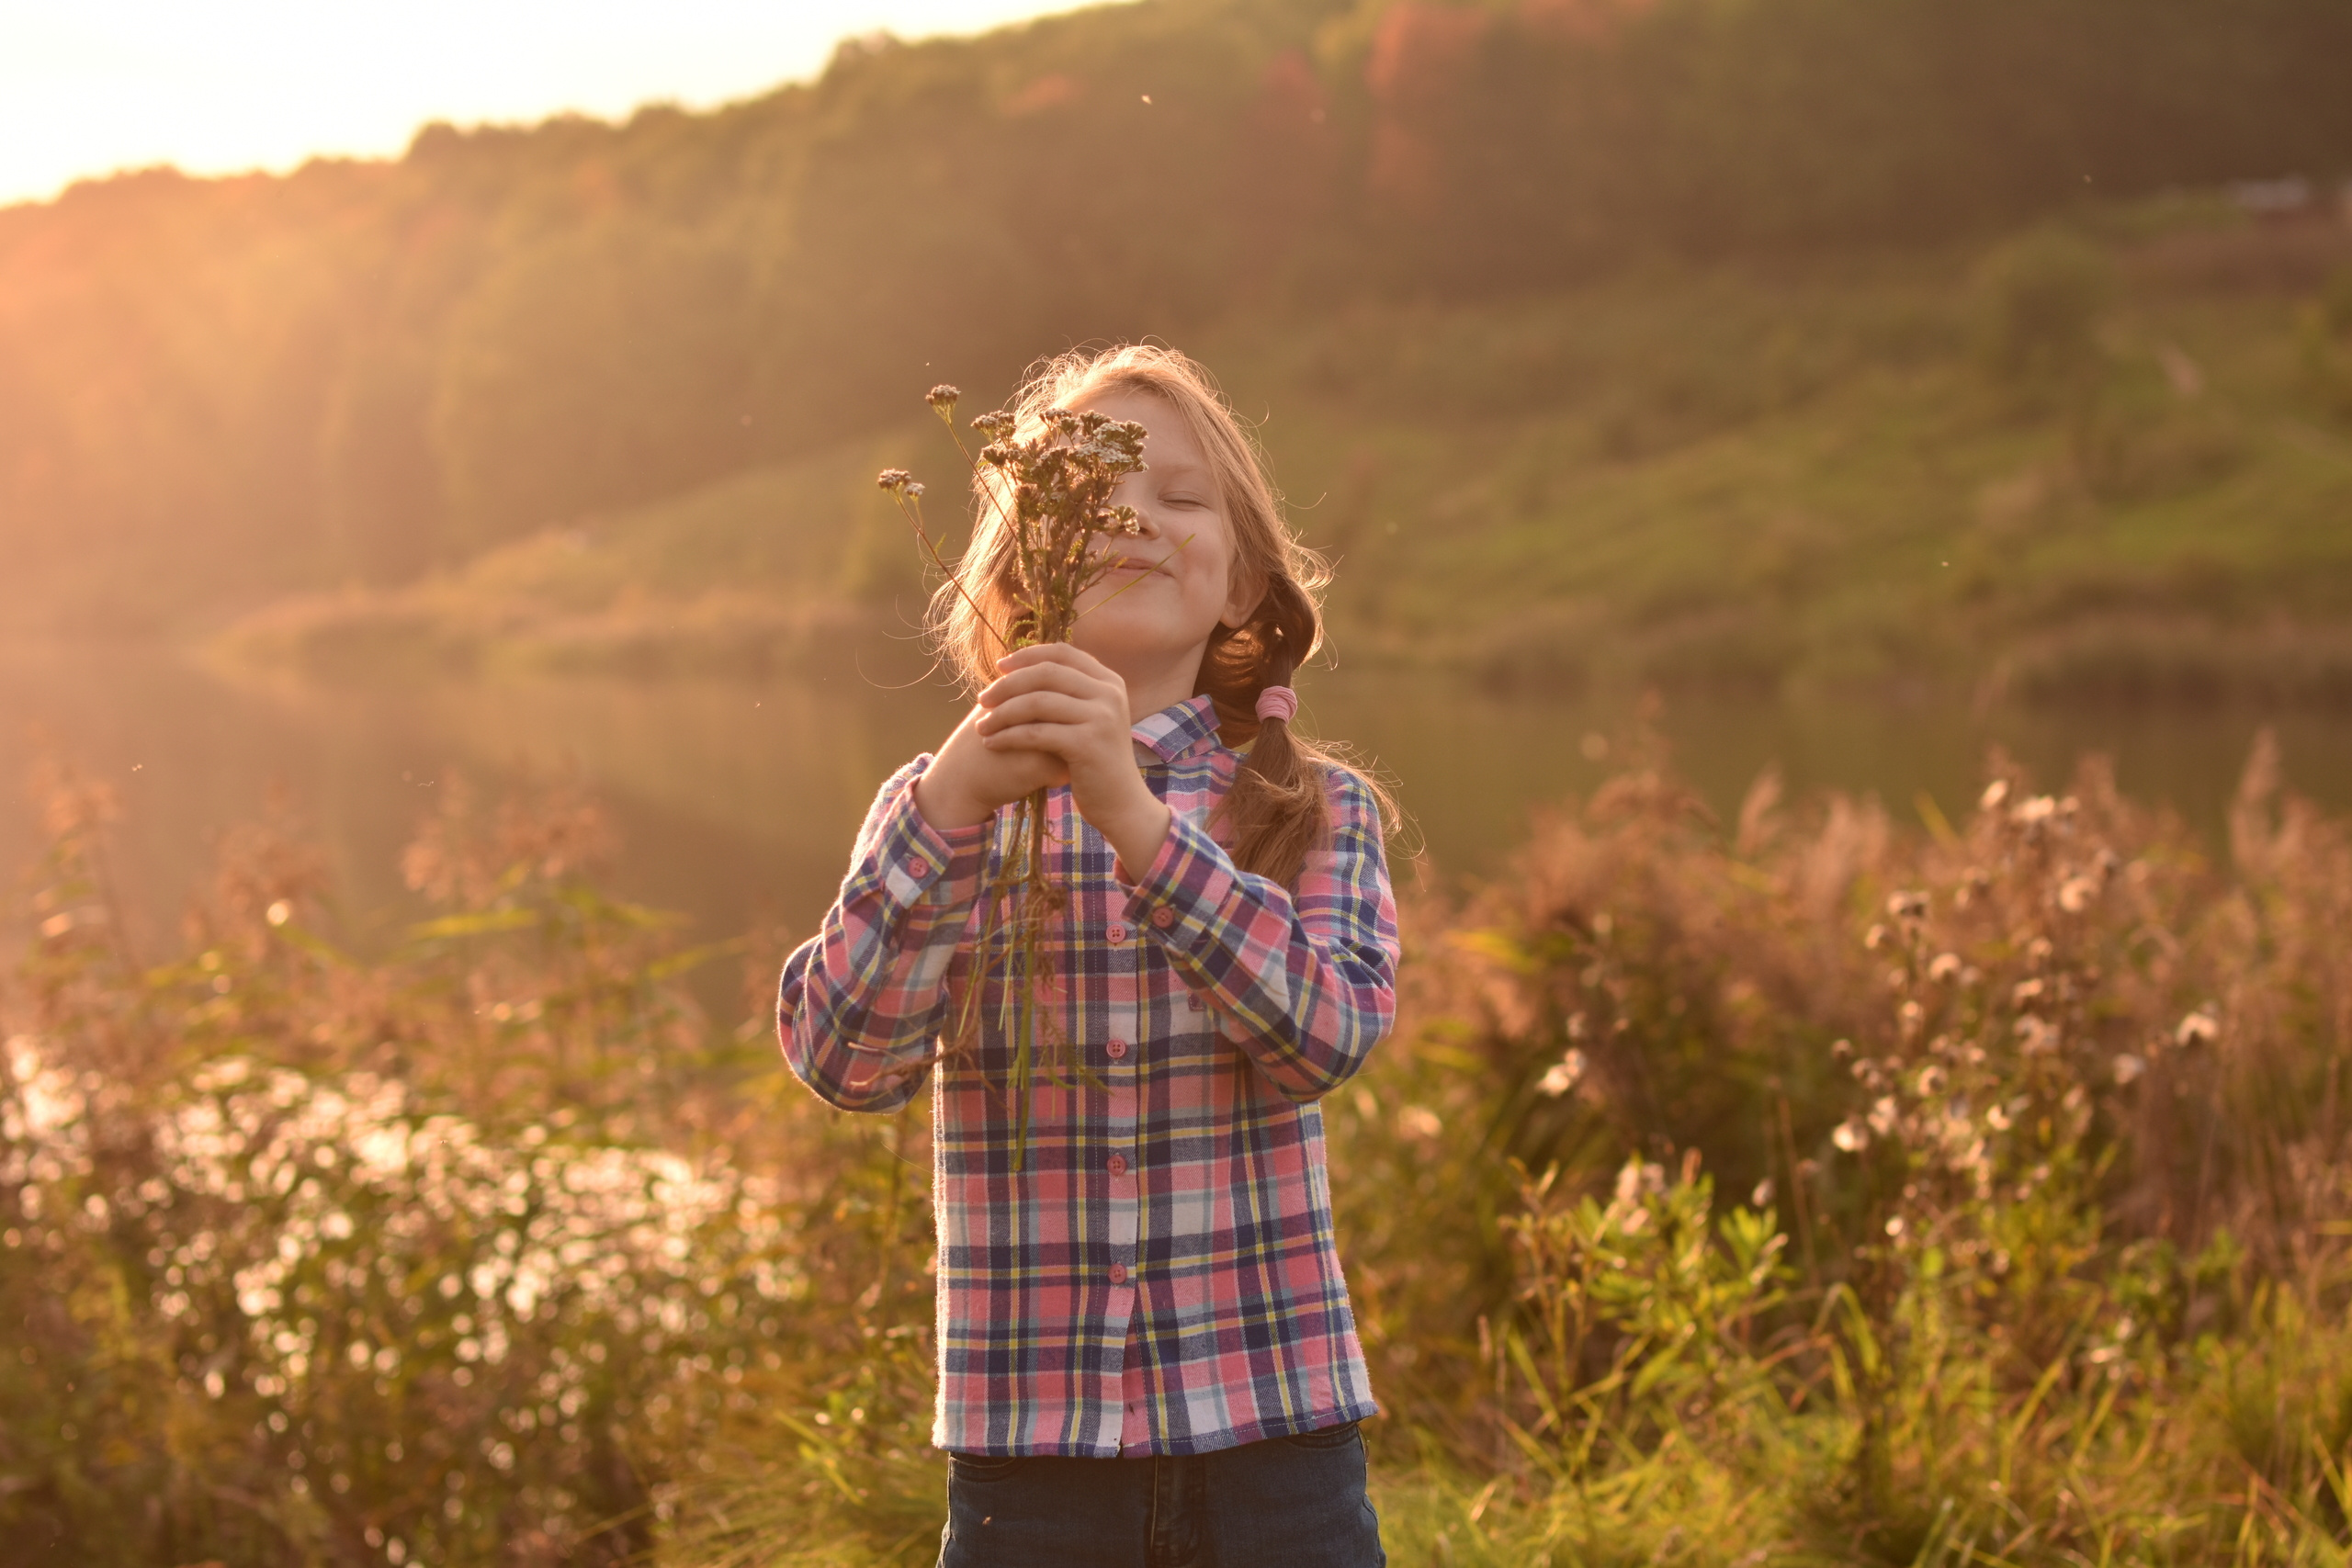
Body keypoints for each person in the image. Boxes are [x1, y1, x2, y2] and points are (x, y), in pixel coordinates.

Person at [778, 344, 1397, 1567]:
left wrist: (1141, 824)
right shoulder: (942, 804)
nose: (1132, 512)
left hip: (1277, 1451)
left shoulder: (1313, 809)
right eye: (1087, 492)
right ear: (1014, 577)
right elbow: (843, 1063)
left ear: (1242, 588)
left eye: (1181, 497)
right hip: (1031, 1475)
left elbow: (1324, 1040)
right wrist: (949, 807)